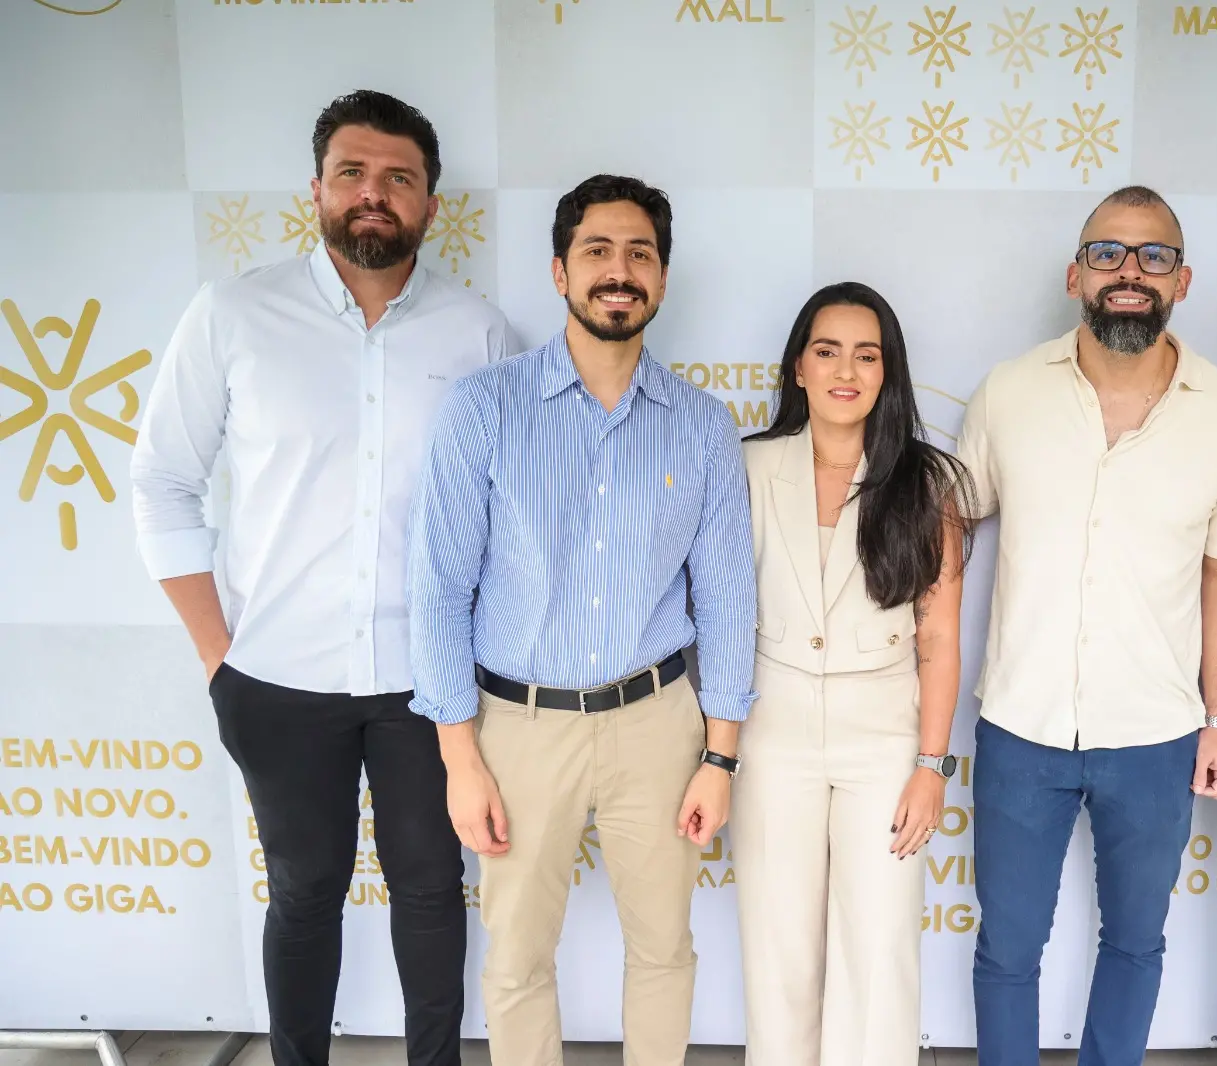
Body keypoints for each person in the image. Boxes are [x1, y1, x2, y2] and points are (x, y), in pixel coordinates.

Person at [129, 91, 508, 1066]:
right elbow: (162, 482)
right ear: (317, 189)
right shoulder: (233, 314)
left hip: (429, 684)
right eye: (353, 172)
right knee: (303, 894)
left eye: (398, 178)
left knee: (431, 889)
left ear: (430, 203)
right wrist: (218, 657)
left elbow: (510, 516)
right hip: (277, 676)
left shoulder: (478, 334)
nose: (374, 192)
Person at [405, 174, 756, 1066]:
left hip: (658, 725)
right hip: (518, 728)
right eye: (597, 251)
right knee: (518, 960)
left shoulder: (702, 426)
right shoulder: (485, 408)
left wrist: (720, 757)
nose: (619, 271)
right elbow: (440, 590)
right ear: (560, 272)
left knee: (665, 950)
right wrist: (460, 759)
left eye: (640, 253)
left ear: (662, 278)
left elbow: (726, 601)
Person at [956, 186, 1217, 1066]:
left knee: (1135, 943)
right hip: (1021, 724)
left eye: (1153, 255)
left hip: (1157, 733)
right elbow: (952, 523)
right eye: (1108, 253)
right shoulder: (1010, 392)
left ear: (1182, 280)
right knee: (1007, 949)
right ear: (1076, 276)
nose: (1129, 271)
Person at [734, 282, 974, 1066]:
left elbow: (939, 636)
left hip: (883, 744)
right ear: (798, 367)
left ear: (887, 372)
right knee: (778, 950)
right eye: (827, 351)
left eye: (866, 355)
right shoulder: (746, 467)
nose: (846, 371)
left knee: (880, 951)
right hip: (771, 734)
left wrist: (931, 766)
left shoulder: (925, 483)